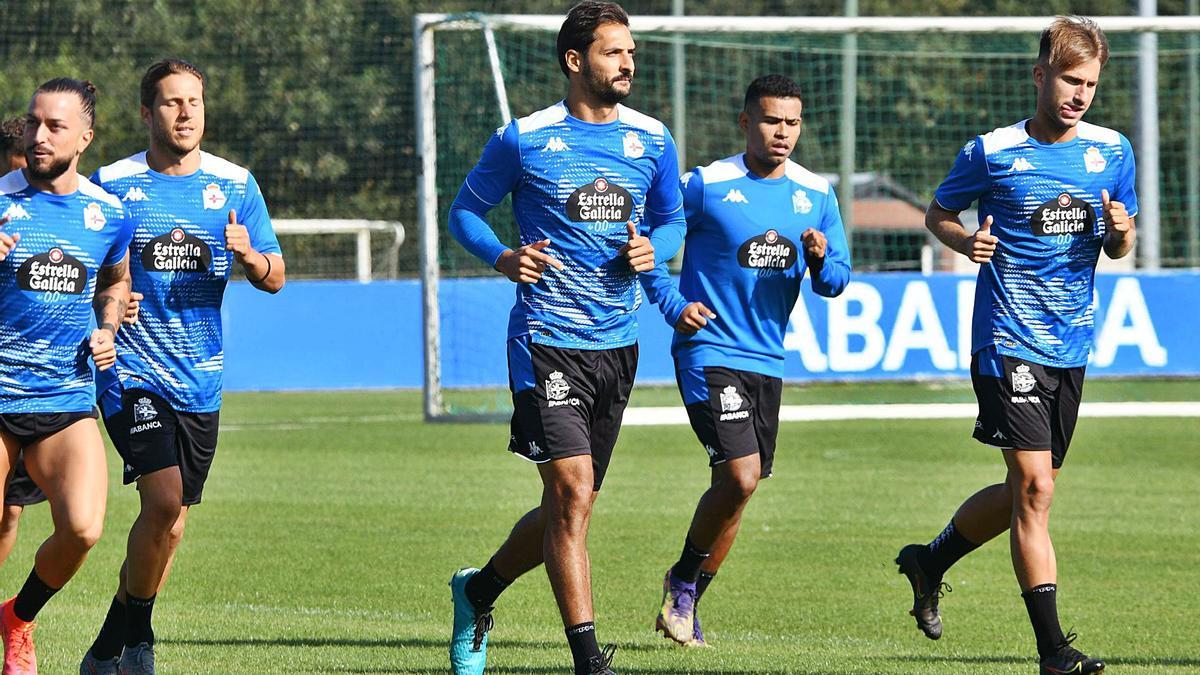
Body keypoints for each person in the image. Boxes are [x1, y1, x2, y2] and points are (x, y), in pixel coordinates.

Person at [444, 2, 686, 673]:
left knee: (568, 505)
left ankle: (479, 587)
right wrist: (502, 256)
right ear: (575, 61)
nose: (628, 63)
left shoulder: (653, 142)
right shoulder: (525, 139)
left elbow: (670, 224)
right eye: (614, 52)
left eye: (631, 51)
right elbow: (463, 211)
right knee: (573, 494)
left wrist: (653, 250)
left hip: (618, 343)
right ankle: (589, 659)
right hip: (545, 340)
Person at [895, 16, 1135, 675]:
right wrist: (963, 241)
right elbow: (938, 213)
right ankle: (1054, 652)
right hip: (1008, 338)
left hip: (1071, 340)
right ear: (1040, 76)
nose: (1079, 93)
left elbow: (1121, 241)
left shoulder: (1111, 152)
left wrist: (1119, 232)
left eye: (1089, 83)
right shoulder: (993, 151)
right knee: (1034, 486)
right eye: (1068, 79)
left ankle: (930, 559)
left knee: (1032, 486)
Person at [79, 59, 284, 675]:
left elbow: (276, 278)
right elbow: (81, 270)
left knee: (170, 522)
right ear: (147, 113)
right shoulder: (112, 184)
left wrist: (250, 256)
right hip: (129, 370)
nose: (186, 112)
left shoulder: (236, 184)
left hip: (202, 376)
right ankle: (138, 641)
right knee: (163, 500)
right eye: (172, 103)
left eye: (194, 101)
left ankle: (111, 644)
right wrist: (106, 297)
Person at [640, 74, 851, 647]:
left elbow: (837, 281)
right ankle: (683, 583)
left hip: (767, 360)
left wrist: (819, 259)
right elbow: (649, 240)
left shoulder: (818, 194)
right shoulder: (707, 185)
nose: (782, 132)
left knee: (739, 489)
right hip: (708, 349)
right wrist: (672, 304)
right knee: (741, 473)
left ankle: (684, 600)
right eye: (769, 120)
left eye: (792, 122)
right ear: (745, 122)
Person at [0, 77, 133, 675]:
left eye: (55, 126)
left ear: (85, 137)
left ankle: (18, 620)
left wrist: (107, 327)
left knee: (82, 528)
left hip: (65, 393)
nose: (38, 135)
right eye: (32, 123)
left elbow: (115, 282)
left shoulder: (108, 214)